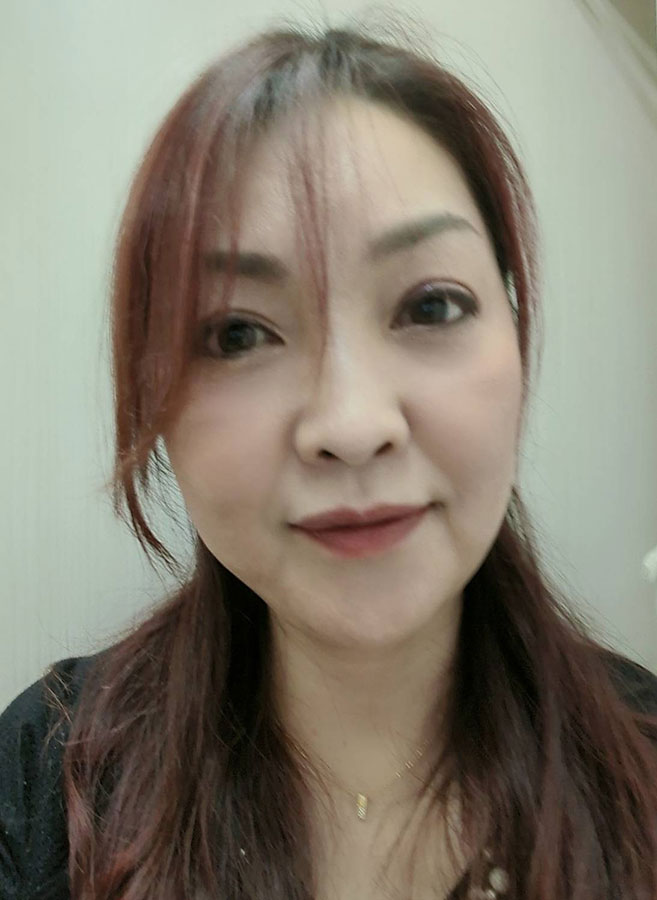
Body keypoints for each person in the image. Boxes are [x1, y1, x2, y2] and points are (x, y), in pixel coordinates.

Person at [1, 21, 657, 900]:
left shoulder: (641, 767)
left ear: (515, 337)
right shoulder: (45, 779)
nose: (351, 426)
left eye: (429, 306)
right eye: (238, 333)